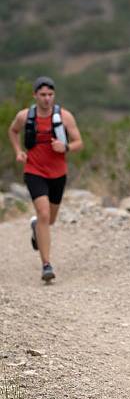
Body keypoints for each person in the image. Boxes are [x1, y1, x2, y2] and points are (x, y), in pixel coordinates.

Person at [8, 76, 83, 282]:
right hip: (34, 170)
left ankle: (36, 228)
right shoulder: (25, 116)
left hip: (58, 173)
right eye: (42, 95)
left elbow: (79, 143)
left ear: (54, 96)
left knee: (49, 220)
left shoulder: (65, 117)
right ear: (35, 96)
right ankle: (46, 265)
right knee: (42, 214)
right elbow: (13, 131)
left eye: (50, 95)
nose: (47, 99)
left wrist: (65, 147)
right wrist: (18, 151)